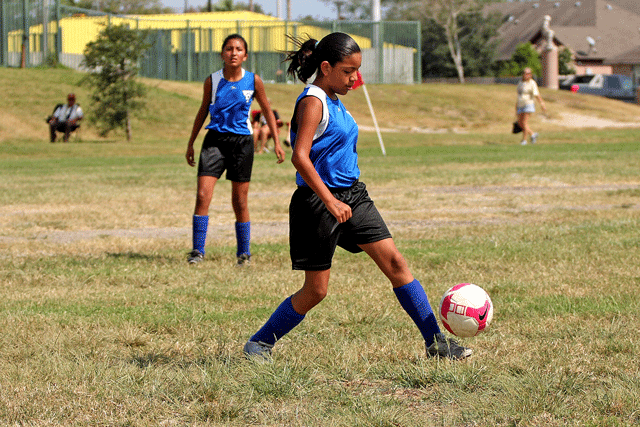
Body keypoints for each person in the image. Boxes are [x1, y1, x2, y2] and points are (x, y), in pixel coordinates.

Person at [243, 32, 472, 361]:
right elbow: (300, 157)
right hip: (317, 202)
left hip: (354, 195)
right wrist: (330, 200)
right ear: (326, 67)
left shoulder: (335, 100)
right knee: (316, 291)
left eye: (357, 70)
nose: (355, 78)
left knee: (396, 264)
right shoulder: (313, 101)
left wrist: (344, 198)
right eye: (348, 71)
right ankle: (260, 342)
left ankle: (436, 343)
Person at [185, 34, 285, 266]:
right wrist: (191, 142)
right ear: (222, 54)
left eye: (238, 49)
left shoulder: (254, 81)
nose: (233, 53)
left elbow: (268, 111)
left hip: (242, 143)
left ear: (245, 55)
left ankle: (244, 253)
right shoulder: (212, 80)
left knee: (239, 200)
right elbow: (202, 110)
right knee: (202, 195)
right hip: (214, 142)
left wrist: (277, 142)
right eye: (229, 49)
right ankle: (197, 251)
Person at [515, 67, 546, 145]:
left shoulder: (532, 83)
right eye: (525, 73)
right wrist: (516, 106)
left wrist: (542, 103)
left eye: (528, 73)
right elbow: (519, 95)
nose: (526, 75)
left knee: (524, 122)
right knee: (520, 123)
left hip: (528, 104)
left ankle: (524, 140)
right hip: (520, 104)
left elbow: (536, 94)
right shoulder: (520, 83)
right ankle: (532, 134)